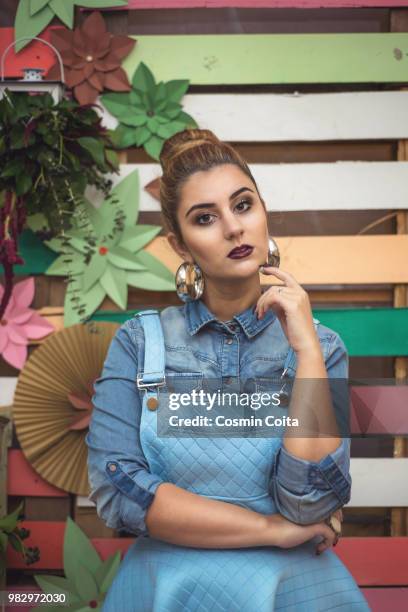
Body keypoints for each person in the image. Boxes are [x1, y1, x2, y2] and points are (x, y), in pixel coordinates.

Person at [86, 129, 370, 611]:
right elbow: (120, 492)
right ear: (180, 244)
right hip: (168, 587)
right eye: (204, 218)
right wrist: (270, 531)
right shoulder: (138, 344)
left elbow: (311, 502)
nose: (234, 229)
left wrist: (306, 353)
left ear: (263, 213)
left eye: (243, 205)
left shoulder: (322, 347)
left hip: (294, 590)